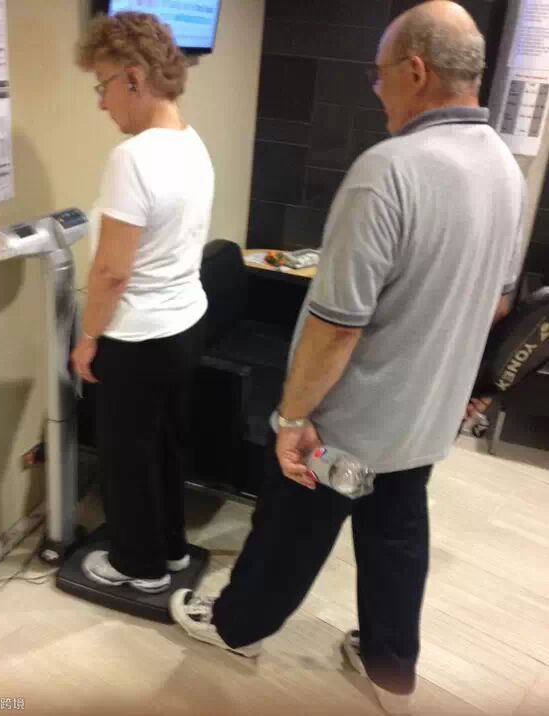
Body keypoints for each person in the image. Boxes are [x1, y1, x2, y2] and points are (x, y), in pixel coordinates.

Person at [170, 2, 524, 714]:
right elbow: (494, 302)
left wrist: (291, 417)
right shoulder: (504, 168)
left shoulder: (387, 170)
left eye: (379, 72)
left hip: (348, 426)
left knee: (289, 528)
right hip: (424, 418)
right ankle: (390, 667)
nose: (374, 87)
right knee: (397, 532)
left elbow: (335, 326)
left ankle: (236, 629)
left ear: (415, 71)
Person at [71, 12, 214, 594]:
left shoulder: (132, 158)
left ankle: (139, 566)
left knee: (127, 456)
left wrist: (87, 340)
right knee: (165, 447)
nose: (102, 103)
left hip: (136, 337)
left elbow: (112, 271)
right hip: (185, 325)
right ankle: (171, 549)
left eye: (102, 85)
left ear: (133, 77)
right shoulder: (191, 142)